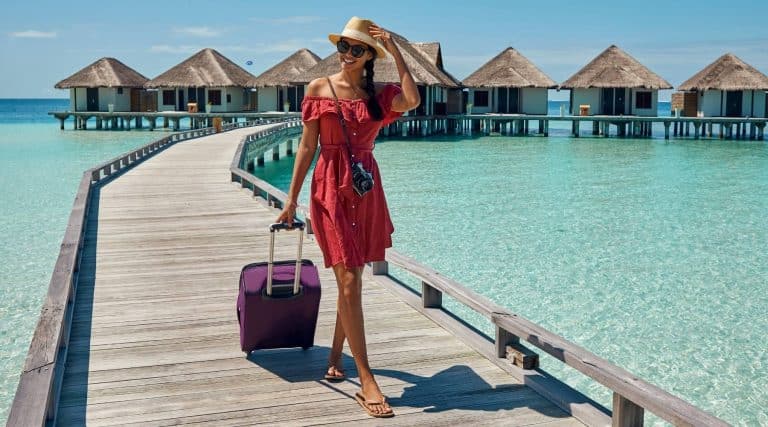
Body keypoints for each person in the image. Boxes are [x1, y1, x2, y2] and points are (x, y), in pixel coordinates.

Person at [275, 16, 419, 418]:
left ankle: (336, 355)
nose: (348, 55)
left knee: (350, 275)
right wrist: (291, 200)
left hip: (365, 188)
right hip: (329, 189)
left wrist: (397, 48)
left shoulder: (378, 96)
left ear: (369, 55)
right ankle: (367, 379)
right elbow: (307, 147)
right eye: (344, 47)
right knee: (350, 277)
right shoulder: (319, 88)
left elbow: (413, 99)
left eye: (357, 49)